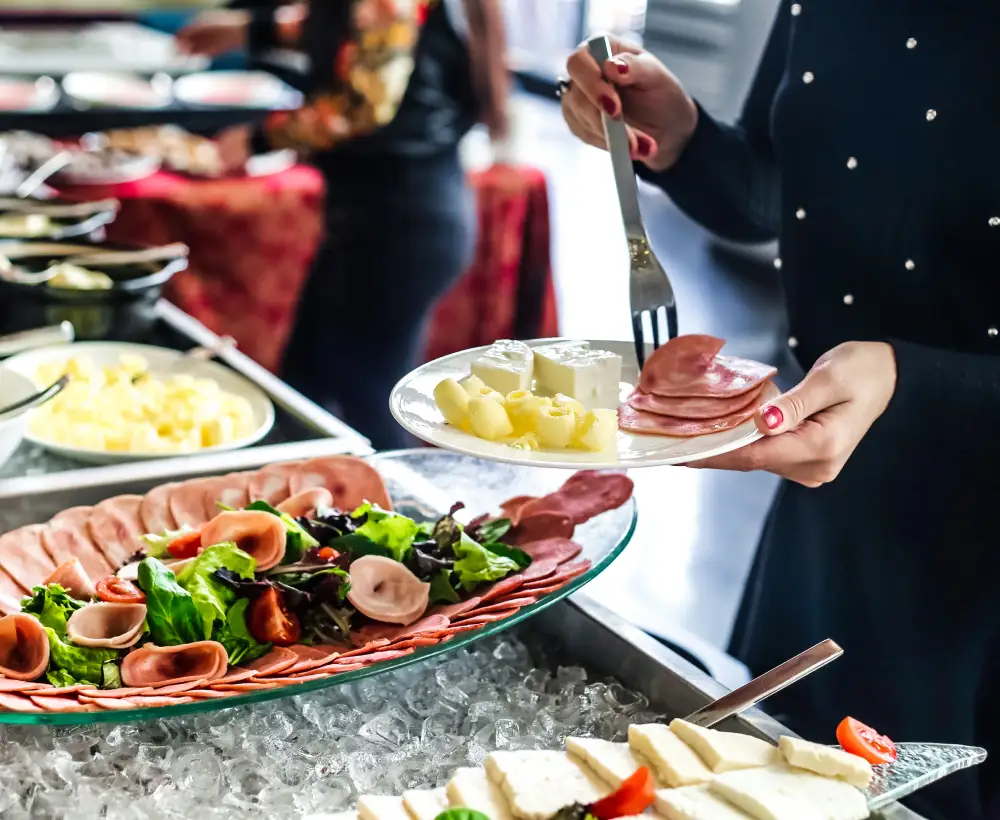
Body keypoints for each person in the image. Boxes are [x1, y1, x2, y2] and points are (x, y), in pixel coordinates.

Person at [562, 4, 999, 819]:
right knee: (765, 782)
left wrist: (917, 384)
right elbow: (779, 189)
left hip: (981, 559)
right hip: (833, 500)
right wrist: (684, 134)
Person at [176, 0, 509, 449]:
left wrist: (259, 137)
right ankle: (300, 510)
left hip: (401, 221)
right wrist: (250, 29)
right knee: (305, 384)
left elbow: (362, 104)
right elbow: (360, 32)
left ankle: (405, 510)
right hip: (385, 215)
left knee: (368, 399)